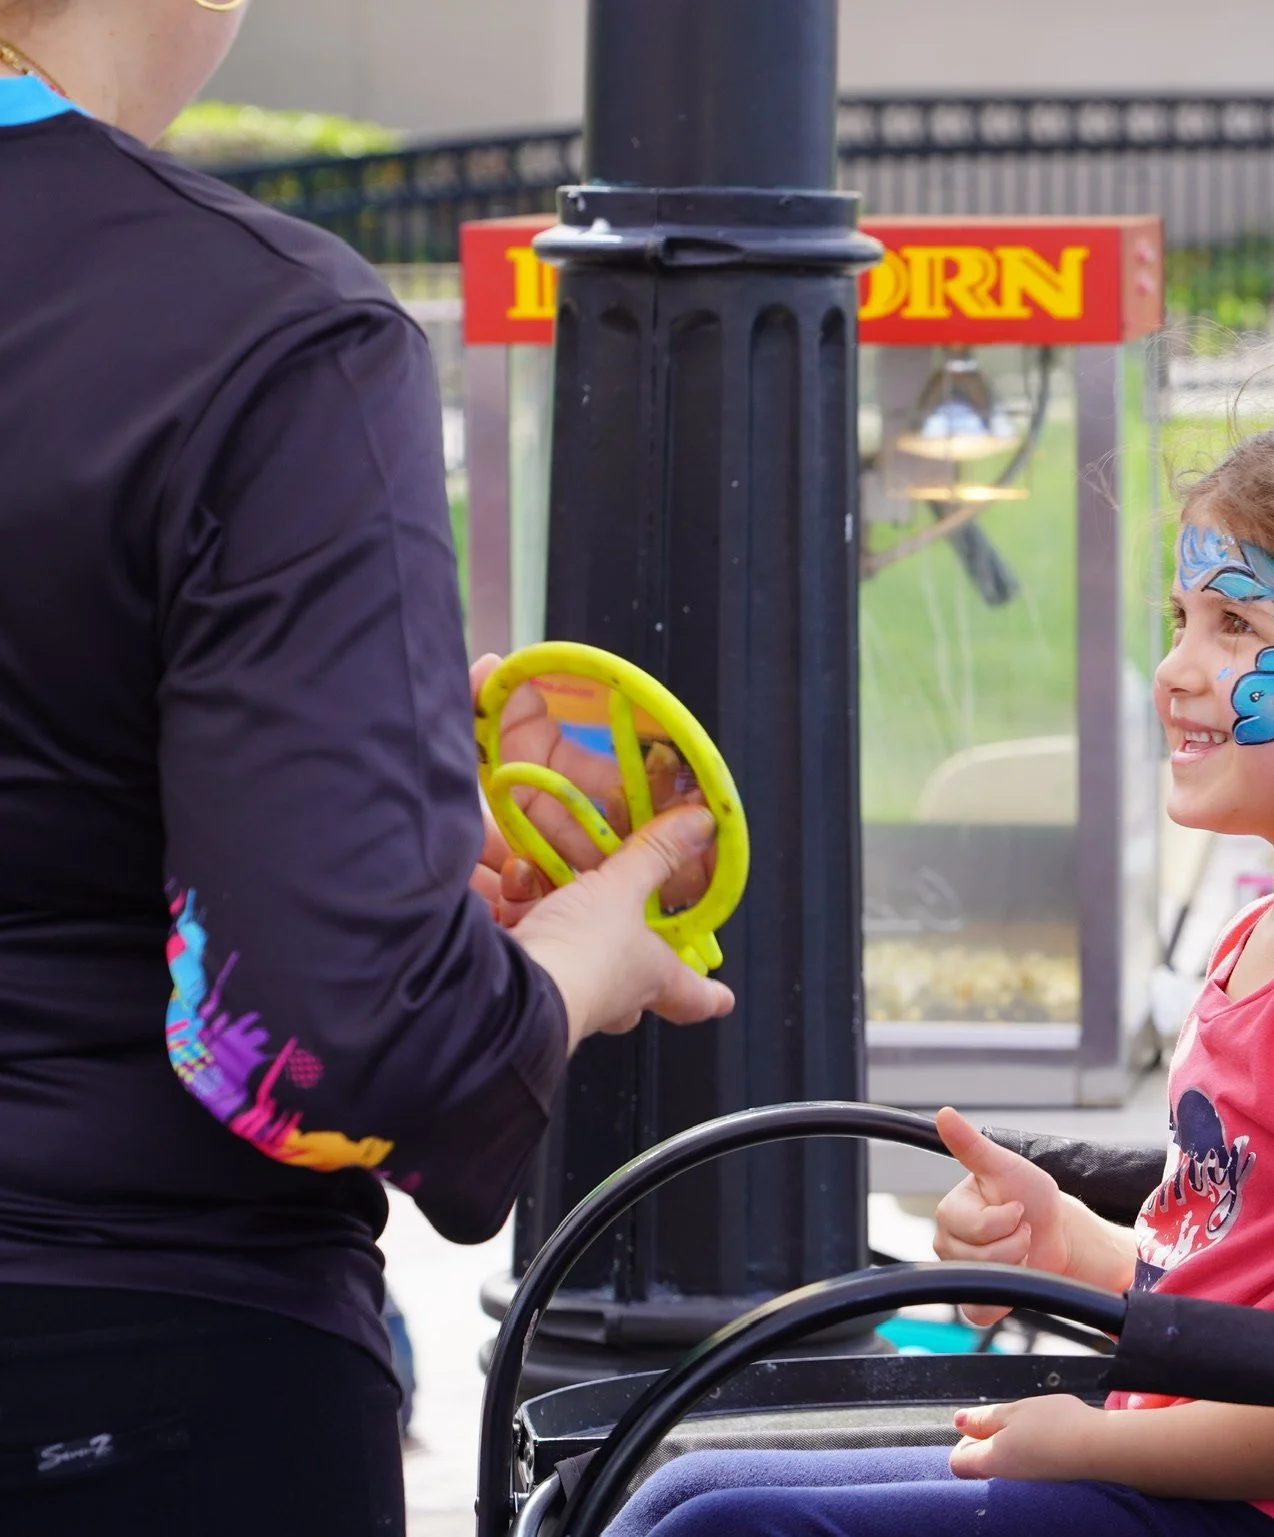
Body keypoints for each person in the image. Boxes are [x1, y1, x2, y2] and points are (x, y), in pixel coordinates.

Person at [606, 402, 1274, 1537]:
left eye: (1240, 626)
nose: (1176, 670)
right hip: (1184, 1463)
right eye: (1181, 618)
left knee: (723, 1529)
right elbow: (1237, 1275)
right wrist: (1062, 1244)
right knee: (677, 1491)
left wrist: (1095, 1439)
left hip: (1271, 1517)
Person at [0, 3, 733, 1533]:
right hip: (113, 1359)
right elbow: (325, 1038)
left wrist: (350, 818)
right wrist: (568, 966)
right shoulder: (249, 330)